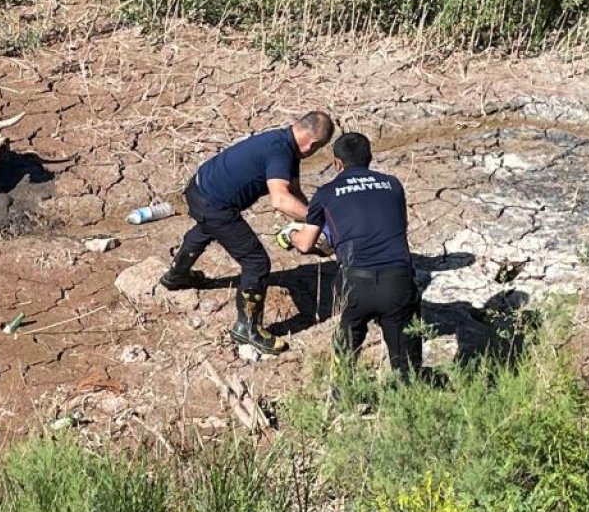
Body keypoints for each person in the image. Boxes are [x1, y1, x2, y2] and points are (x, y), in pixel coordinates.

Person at [159, 111, 335, 355]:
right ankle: (248, 328)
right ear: (313, 144)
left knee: (205, 228)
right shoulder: (281, 152)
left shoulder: (283, 141)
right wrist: (321, 223)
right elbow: (281, 200)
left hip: (200, 186)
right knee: (256, 262)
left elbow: (293, 191)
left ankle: (176, 275)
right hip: (214, 204)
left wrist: (310, 227)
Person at [284, 131, 426, 379]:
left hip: (355, 284)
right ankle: (407, 399)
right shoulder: (392, 184)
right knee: (407, 369)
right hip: (397, 282)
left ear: (337, 162)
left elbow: (306, 244)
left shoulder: (326, 192)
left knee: (346, 351)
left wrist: (288, 236)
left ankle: (343, 401)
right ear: (370, 158)